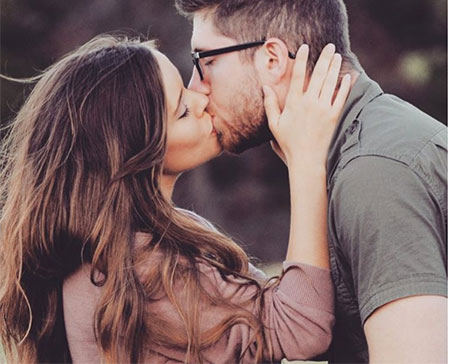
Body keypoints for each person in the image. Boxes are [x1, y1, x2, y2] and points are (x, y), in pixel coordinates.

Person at [175, 0, 448, 363]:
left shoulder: (374, 174)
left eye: (205, 61)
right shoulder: (351, 153)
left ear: (272, 60)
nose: (196, 89)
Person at [0, 34, 351, 363]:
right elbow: (300, 327)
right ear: (136, 153)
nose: (201, 100)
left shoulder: (127, 246)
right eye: (182, 110)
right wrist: (306, 161)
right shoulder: (138, 265)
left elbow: (275, 305)